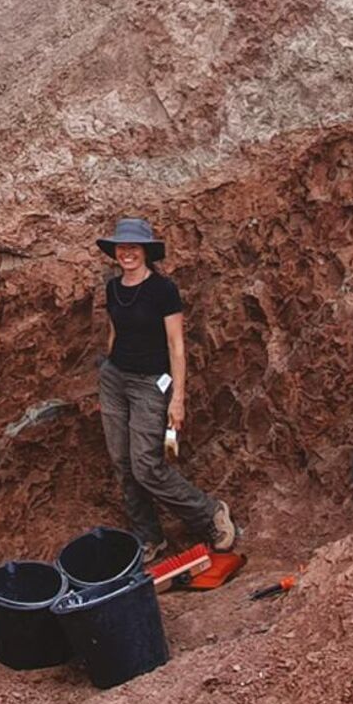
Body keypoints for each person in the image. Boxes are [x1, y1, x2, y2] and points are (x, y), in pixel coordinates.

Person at [95, 217, 237, 562]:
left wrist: (178, 399)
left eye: (134, 247)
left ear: (145, 251)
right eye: (122, 247)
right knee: (123, 463)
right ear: (115, 251)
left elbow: (176, 346)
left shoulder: (163, 290)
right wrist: (108, 364)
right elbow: (115, 330)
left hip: (150, 383)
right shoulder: (112, 288)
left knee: (145, 465)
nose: (127, 253)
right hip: (115, 379)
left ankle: (211, 513)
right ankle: (149, 537)